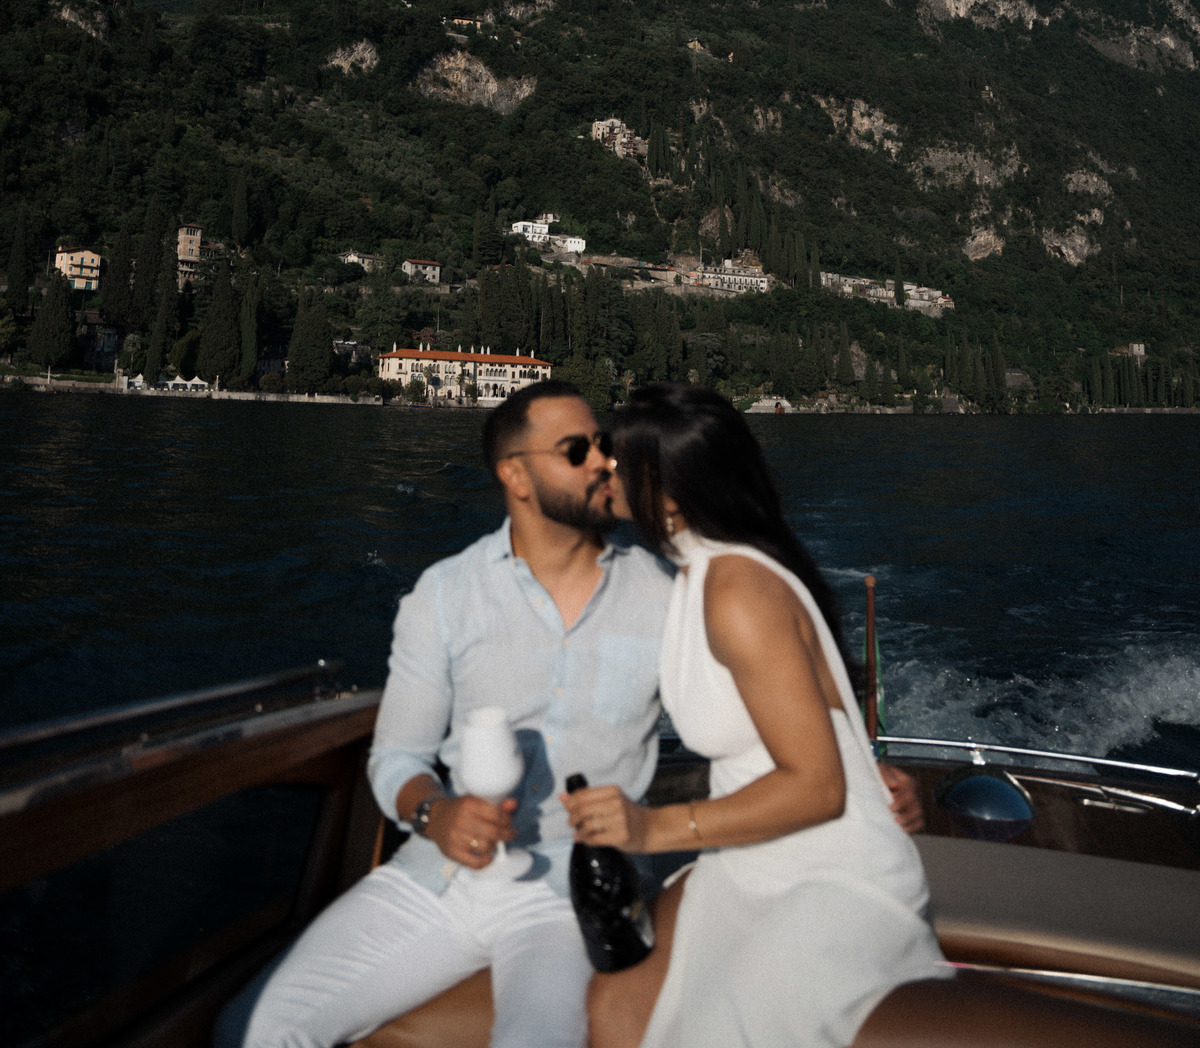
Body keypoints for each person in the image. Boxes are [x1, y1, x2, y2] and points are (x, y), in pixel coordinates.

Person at [216, 380, 923, 1048]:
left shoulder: (673, 594)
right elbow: (396, 756)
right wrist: (436, 812)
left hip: (571, 890)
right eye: (577, 450)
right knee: (256, 1029)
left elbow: (777, 702)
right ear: (515, 475)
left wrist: (863, 773)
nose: (604, 463)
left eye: (605, 445)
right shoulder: (444, 595)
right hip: (440, 873)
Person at [565, 384, 951, 1048]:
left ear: (670, 494)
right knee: (615, 1003)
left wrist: (651, 827)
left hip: (826, 873)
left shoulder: (737, 589)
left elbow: (818, 786)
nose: (602, 467)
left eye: (618, 459)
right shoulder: (698, 573)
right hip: (750, 858)